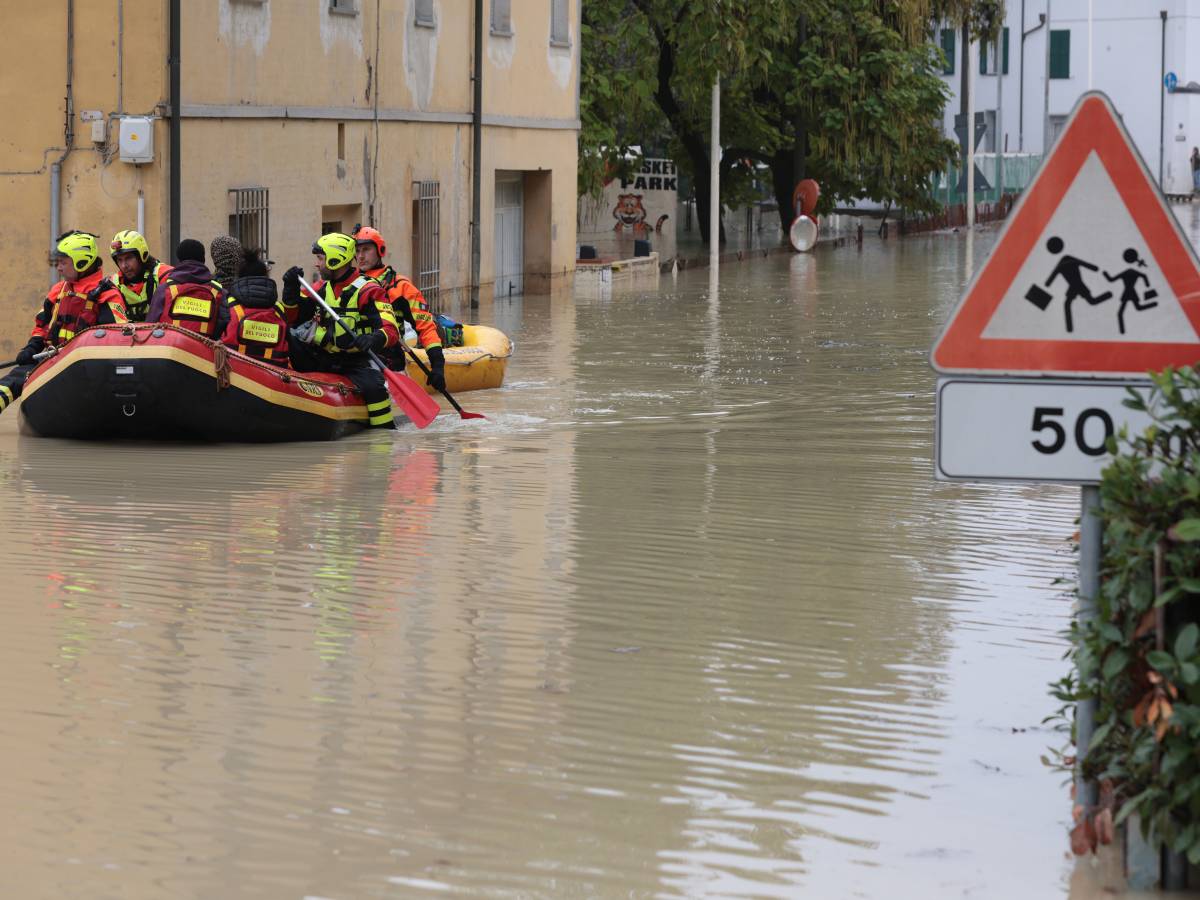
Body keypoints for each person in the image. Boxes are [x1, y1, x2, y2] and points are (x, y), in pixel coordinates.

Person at [0, 230, 128, 415]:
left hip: (83, 366)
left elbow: (116, 338)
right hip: (52, 357)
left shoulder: (107, 294)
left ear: (81, 262)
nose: (58, 268)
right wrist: (32, 347)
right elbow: (42, 325)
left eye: (63, 262)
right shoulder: (58, 290)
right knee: (11, 382)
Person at [280, 232, 399, 428]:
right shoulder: (322, 290)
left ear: (336, 259)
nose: (317, 264)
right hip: (321, 357)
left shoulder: (369, 290)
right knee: (287, 335)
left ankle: (383, 436)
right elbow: (293, 318)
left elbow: (391, 331)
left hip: (354, 362)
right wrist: (290, 290)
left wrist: (373, 339)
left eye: (320, 258)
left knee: (375, 388)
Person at [352, 225, 446, 393]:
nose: (360, 256)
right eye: (357, 251)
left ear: (380, 250)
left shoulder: (401, 287)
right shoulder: (348, 283)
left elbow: (425, 328)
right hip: (352, 360)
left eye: (366, 250)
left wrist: (438, 366)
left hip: (388, 362)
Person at [148, 239, 230, 338]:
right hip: (205, 351)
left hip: (171, 350)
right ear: (203, 260)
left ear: (179, 260)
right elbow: (225, 329)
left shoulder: (164, 290)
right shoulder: (219, 292)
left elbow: (150, 326)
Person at [221, 247, 290, 366]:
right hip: (274, 374)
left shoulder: (229, 304)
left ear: (240, 277)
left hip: (235, 369)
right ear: (265, 276)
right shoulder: (279, 310)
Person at [110, 230, 172, 322]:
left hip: (162, 334)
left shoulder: (164, 275)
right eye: (119, 260)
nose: (124, 266)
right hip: (128, 335)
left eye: (129, 258)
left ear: (142, 255)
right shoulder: (113, 284)